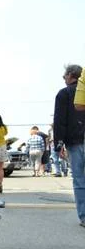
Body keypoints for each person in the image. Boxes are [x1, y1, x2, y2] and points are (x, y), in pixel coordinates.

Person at [54, 64, 85, 228]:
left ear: (71, 75)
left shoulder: (64, 94)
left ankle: (84, 217)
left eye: (64, 75)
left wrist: (58, 145)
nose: (64, 78)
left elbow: (60, 121)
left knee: (80, 180)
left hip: (74, 141)